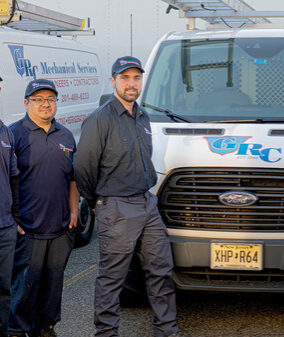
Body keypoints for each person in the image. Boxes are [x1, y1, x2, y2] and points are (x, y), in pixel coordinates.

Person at [73, 56, 181, 337]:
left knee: (161, 270)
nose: (131, 84)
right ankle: (106, 333)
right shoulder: (99, 120)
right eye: (125, 78)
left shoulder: (142, 115)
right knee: (113, 278)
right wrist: (99, 201)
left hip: (147, 203)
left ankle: (166, 330)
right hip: (117, 206)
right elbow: (83, 167)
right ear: (113, 81)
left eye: (136, 78)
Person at [8, 79, 78, 337]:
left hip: (60, 228)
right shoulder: (15, 135)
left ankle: (46, 327)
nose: (45, 104)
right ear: (26, 103)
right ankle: (16, 329)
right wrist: (10, 218)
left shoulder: (66, 135)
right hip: (27, 228)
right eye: (38, 99)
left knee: (52, 285)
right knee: (25, 285)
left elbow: (72, 178)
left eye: (50, 99)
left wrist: (73, 213)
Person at [0, 118, 19, 337]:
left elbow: (14, 177)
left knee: (4, 290)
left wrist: (16, 218)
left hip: (5, 226)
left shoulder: (6, 132)